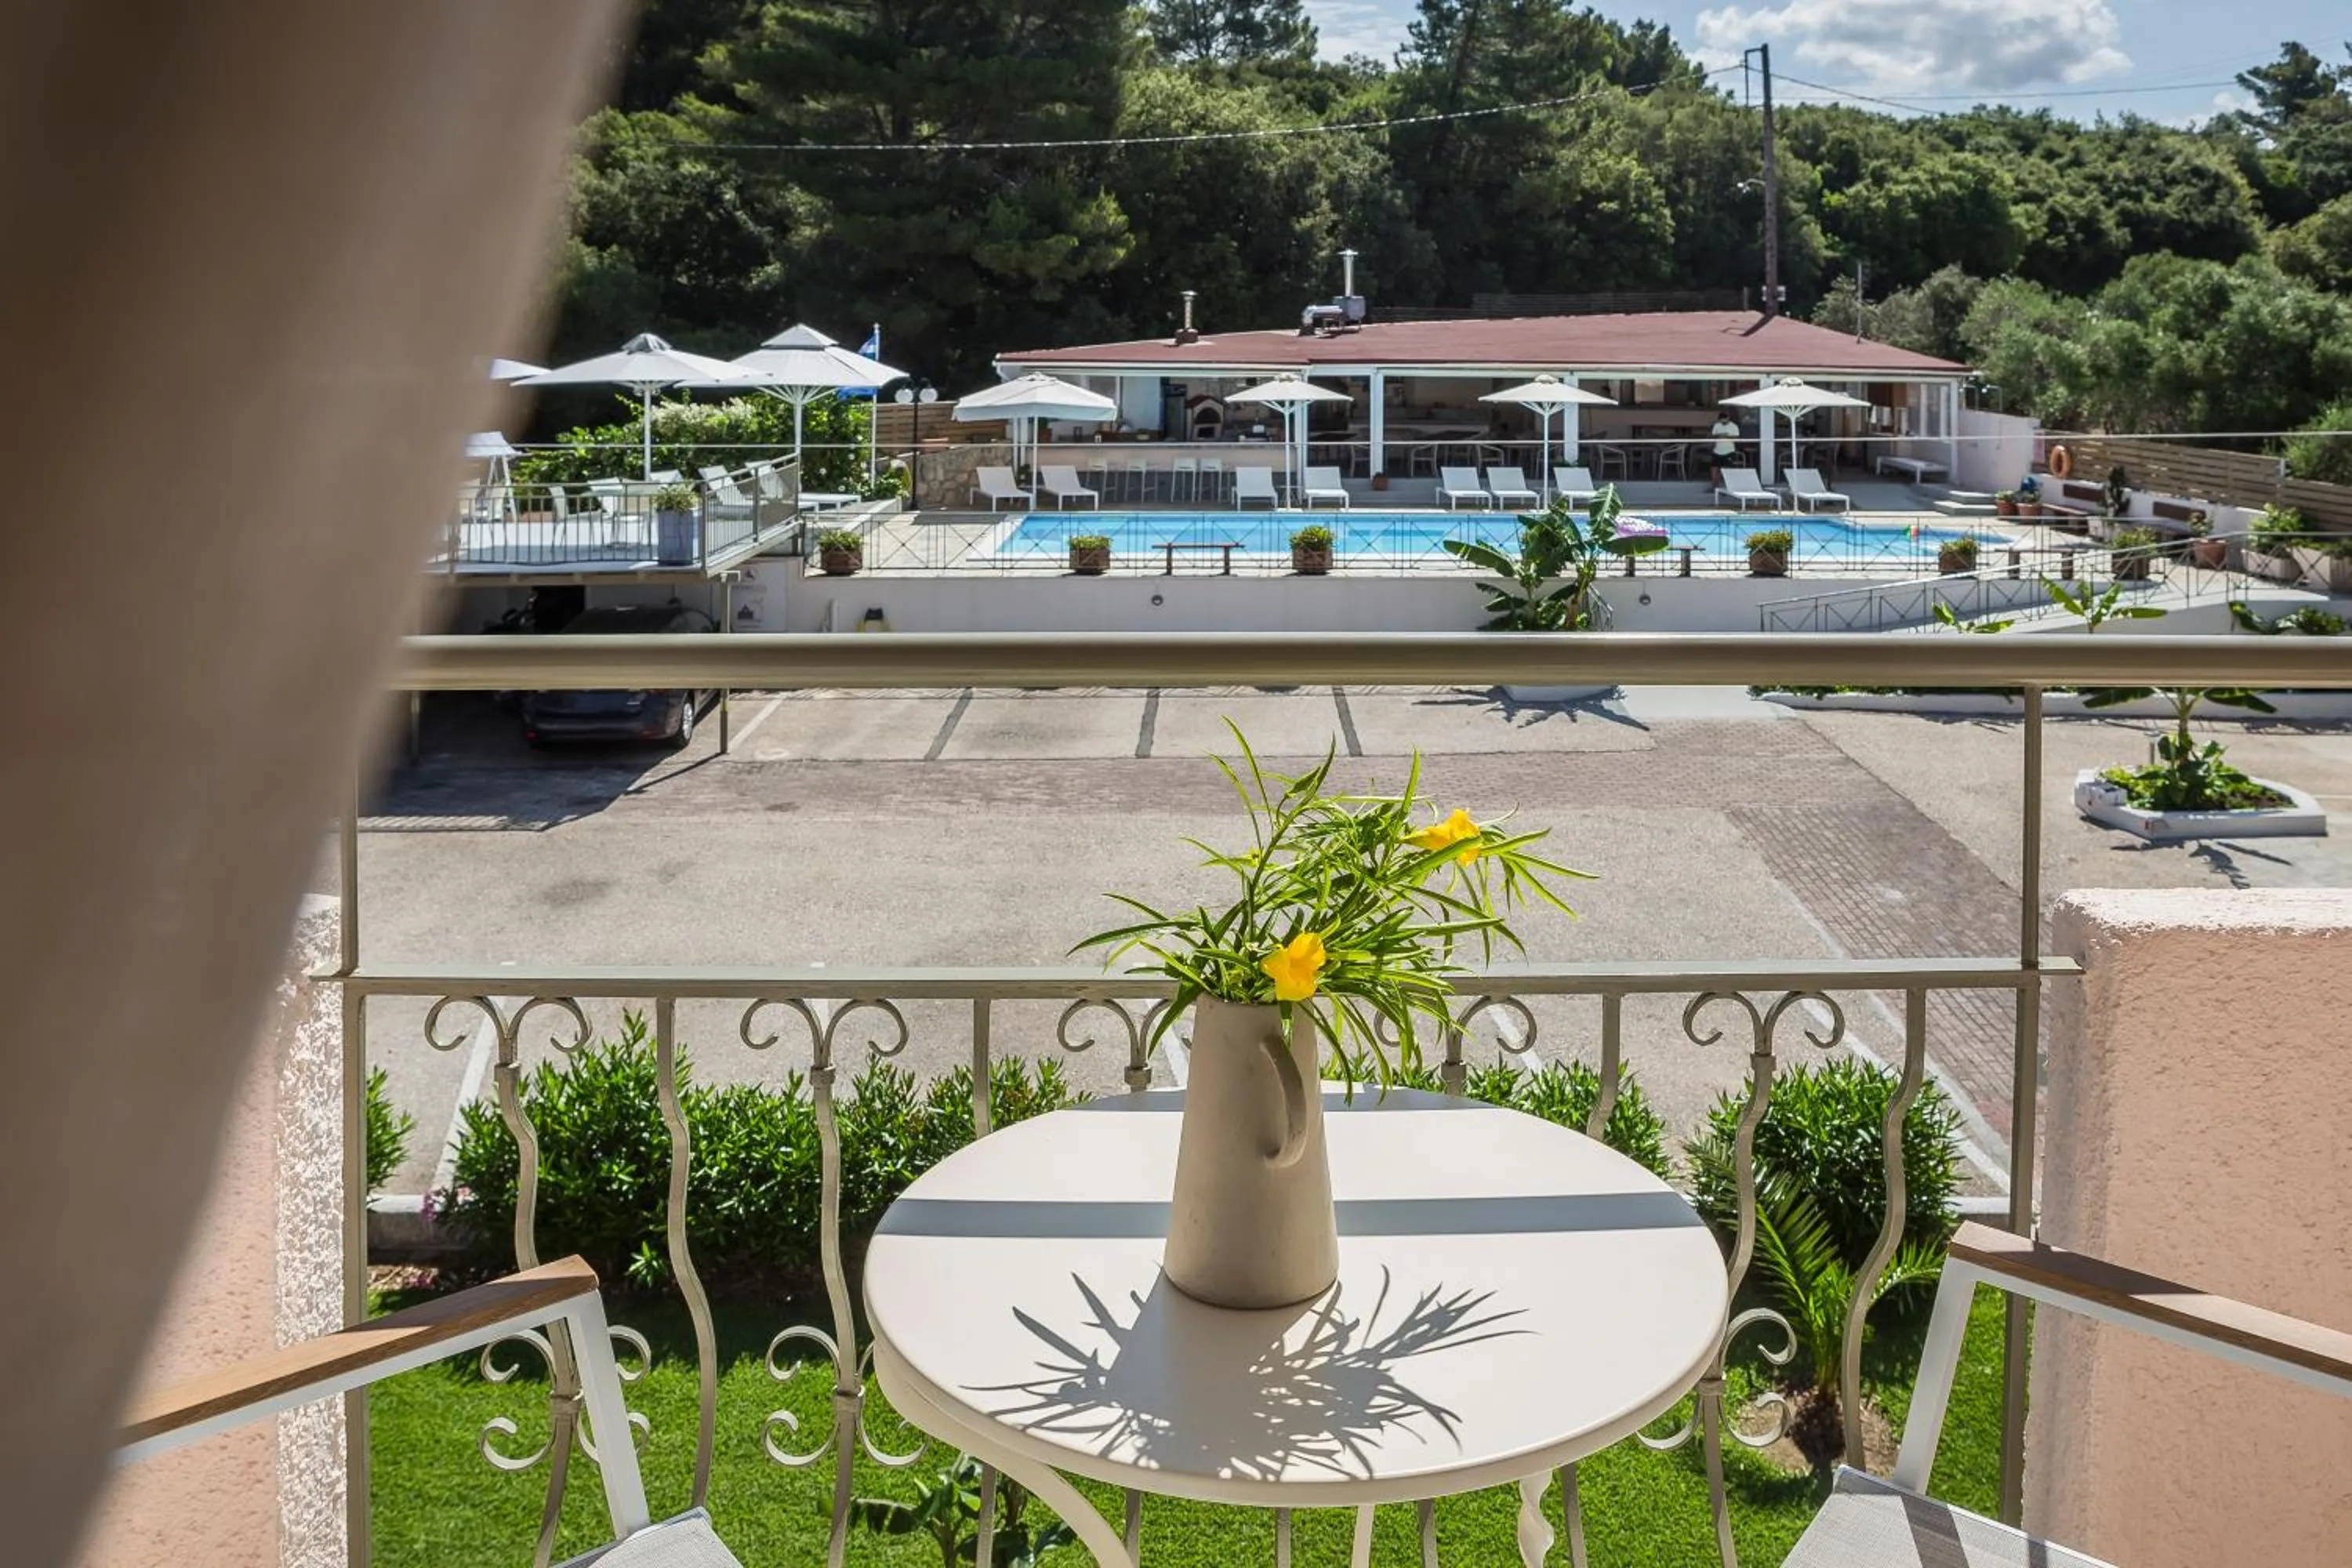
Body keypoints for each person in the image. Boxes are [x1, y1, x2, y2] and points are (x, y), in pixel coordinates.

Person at [1710, 407, 1742, 483]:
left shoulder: (1734, 426)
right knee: (1714, 468)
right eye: (1721, 419)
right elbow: (1713, 435)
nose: (1723, 421)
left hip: (1729, 451)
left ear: (1728, 418)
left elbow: (1736, 437)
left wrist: (1726, 436)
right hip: (1717, 450)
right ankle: (1714, 484)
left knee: (1724, 469)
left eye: (1724, 419)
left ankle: (1716, 483)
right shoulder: (1717, 425)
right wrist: (1719, 436)